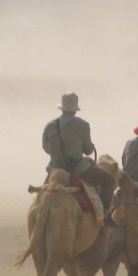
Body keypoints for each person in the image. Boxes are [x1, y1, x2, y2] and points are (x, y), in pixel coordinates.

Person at [42, 92, 117, 226]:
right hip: (78, 169)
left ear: (62, 107)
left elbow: (46, 148)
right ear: (75, 109)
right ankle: (105, 214)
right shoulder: (83, 125)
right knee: (108, 180)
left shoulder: (50, 125)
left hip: (55, 169)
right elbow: (88, 150)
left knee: (44, 190)